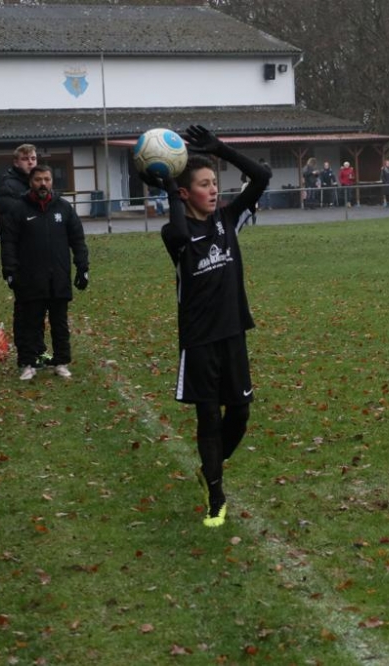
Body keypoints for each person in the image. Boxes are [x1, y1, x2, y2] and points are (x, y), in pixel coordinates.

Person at [139, 124, 270, 529]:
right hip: (199, 341)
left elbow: (261, 177)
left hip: (232, 333)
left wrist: (221, 149)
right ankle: (215, 494)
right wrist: (169, 190)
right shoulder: (174, 233)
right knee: (209, 417)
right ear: (185, 193)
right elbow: (180, 230)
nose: (213, 191)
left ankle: (209, 467)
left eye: (215, 183)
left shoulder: (228, 219)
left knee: (240, 414)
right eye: (203, 185)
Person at [0, 165, 89, 380]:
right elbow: (8, 242)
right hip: (30, 278)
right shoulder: (19, 209)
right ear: (31, 182)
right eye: (38, 179)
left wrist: (82, 267)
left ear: (52, 181)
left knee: (60, 323)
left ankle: (61, 362)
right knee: (30, 323)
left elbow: (77, 239)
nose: (43, 184)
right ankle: (28, 363)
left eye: (47, 179)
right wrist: (10, 270)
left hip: (59, 276)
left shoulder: (64, 208)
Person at [0, 143, 51, 367]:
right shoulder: (9, 186)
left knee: (40, 307)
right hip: (21, 258)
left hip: (40, 256)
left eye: (33, 158)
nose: (31, 162)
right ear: (16, 162)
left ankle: (38, 350)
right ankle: (26, 355)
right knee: (25, 309)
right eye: (26, 158)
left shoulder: (37, 183)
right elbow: (13, 224)